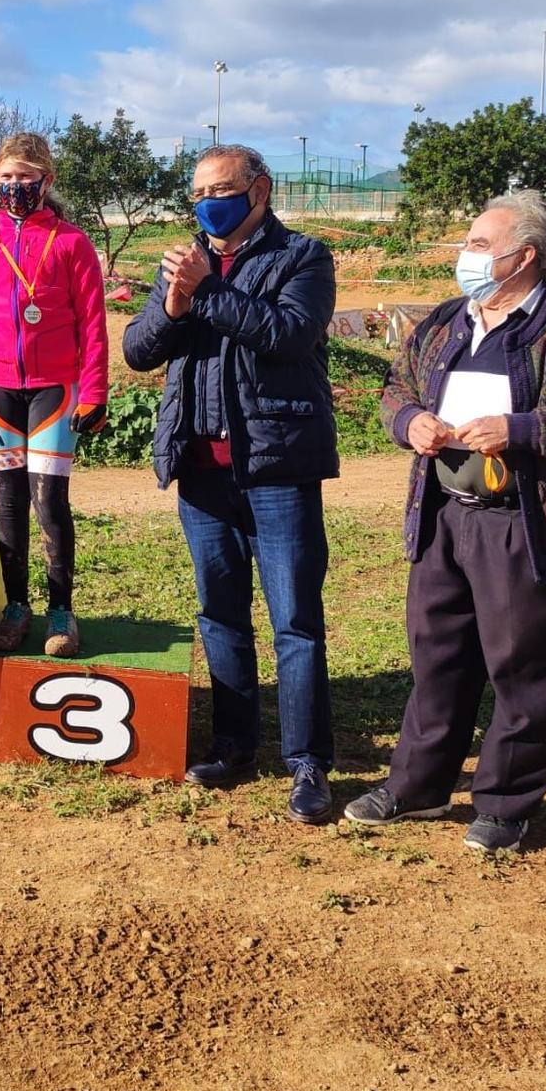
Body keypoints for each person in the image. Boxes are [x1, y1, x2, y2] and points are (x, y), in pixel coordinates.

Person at [345, 191, 546, 854]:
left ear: (524, 256)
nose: (464, 256)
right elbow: (397, 389)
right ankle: (417, 787)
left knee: (525, 666)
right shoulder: (446, 322)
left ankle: (506, 804)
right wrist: (407, 420)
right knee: (437, 657)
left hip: (529, 523)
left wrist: (521, 429)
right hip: (445, 515)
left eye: (478, 245)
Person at [121, 144, 339, 819]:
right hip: (200, 474)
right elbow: (137, 350)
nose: (207, 203)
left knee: (295, 622)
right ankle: (234, 743)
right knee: (220, 616)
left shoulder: (303, 257)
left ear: (259, 191)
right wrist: (176, 303)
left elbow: (289, 334)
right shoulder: (182, 261)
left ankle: (307, 765)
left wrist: (208, 291)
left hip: (277, 470)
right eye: (197, 193)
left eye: (221, 189)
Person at [0, 132, 108, 657]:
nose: (17, 185)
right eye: (8, 176)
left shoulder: (72, 242)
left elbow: (94, 322)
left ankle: (62, 610)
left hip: (55, 390)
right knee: (8, 502)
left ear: (47, 180)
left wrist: (95, 390)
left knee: (50, 501)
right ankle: (16, 607)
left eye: (28, 176)